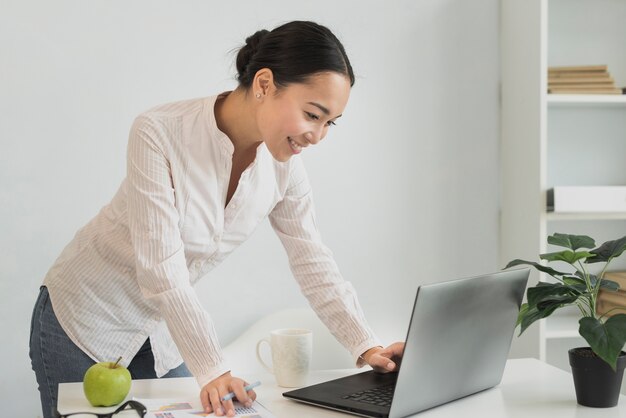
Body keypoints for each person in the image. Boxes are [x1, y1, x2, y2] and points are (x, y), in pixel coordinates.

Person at [29, 20, 404, 418]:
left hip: (161, 333)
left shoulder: (284, 168)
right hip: (85, 320)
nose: (319, 136)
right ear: (263, 84)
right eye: (313, 114)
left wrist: (366, 345)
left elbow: (312, 260)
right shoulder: (158, 132)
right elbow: (161, 268)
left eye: (330, 122)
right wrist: (213, 368)